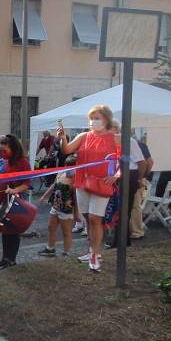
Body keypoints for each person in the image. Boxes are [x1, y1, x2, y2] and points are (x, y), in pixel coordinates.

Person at [59, 104, 120, 273]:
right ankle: (91, 250)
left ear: (107, 119)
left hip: (102, 183)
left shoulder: (115, 138)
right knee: (86, 218)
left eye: (97, 118)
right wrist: (63, 138)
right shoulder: (83, 136)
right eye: (91, 118)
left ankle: (95, 254)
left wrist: (116, 175)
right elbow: (67, 150)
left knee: (95, 218)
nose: (93, 122)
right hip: (82, 182)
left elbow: (126, 159)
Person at [0, 134, 31, 271]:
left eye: (5, 151)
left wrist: (14, 191)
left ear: (13, 148)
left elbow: (26, 184)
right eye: (1, 151)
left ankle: (11, 259)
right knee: (4, 230)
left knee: (13, 230)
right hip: (3, 199)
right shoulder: (5, 161)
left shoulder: (23, 162)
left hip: (16, 201)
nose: (2, 153)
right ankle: (5, 258)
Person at [106, 123, 146, 250]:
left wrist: (140, 178)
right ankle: (121, 239)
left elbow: (142, 162)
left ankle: (120, 241)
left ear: (116, 129)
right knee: (117, 208)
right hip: (118, 177)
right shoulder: (110, 143)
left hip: (129, 176)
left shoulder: (130, 142)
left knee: (124, 209)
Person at [38, 155, 77, 258]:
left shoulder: (75, 178)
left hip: (66, 207)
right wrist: (44, 196)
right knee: (51, 227)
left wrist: (76, 211)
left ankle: (66, 253)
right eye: (67, 165)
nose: (69, 168)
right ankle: (50, 248)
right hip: (56, 205)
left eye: (71, 166)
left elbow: (75, 196)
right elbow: (54, 185)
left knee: (66, 231)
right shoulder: (61, 172)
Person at [129, 136, 155, 240]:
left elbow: (149, 162)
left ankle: (137, 231)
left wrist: (142, 177)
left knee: (135, 205)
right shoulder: (139, 143)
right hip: (128, 178)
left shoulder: (137, 144)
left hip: (136, 178)